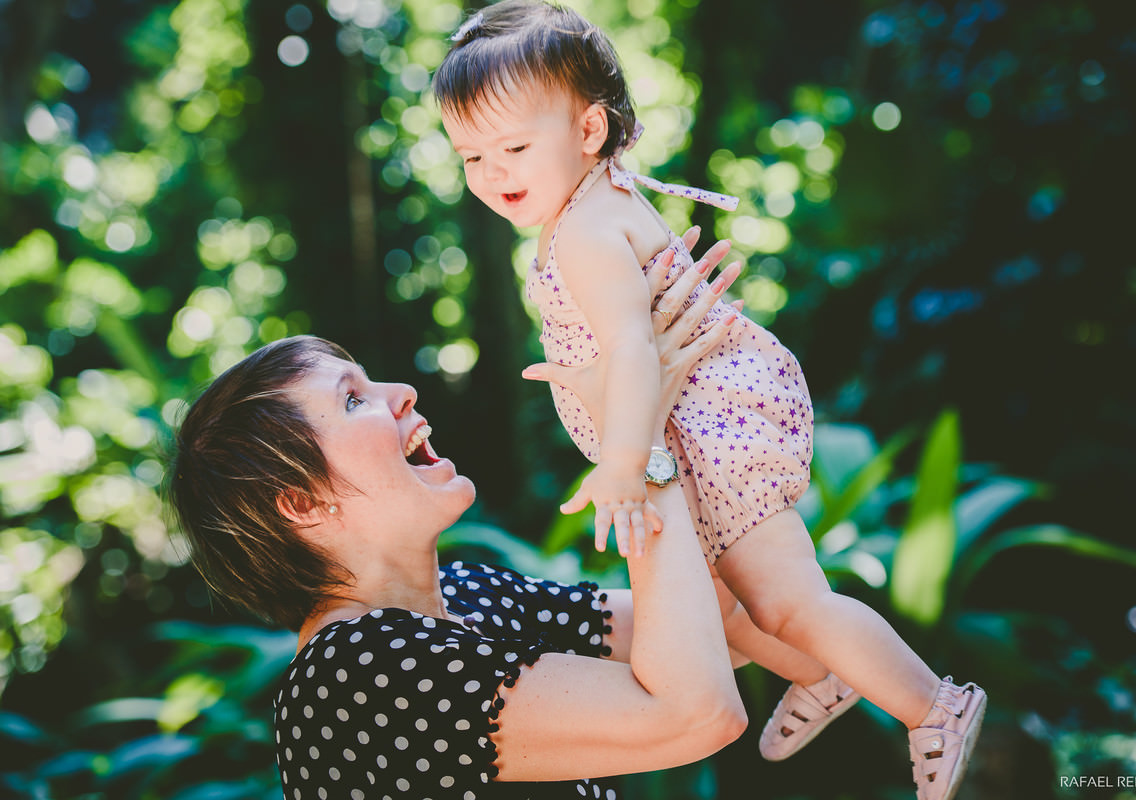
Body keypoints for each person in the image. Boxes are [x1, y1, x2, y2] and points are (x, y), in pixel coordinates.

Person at [432, 3, 986, 799]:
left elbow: (629, 348)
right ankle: (822, 677)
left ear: (588, 131)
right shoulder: (589, 204)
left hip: (710, 437)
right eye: (471, 156)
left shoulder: (586, 233)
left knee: (791, 598)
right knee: (728, 611)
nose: (493, 172)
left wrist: (624, 465)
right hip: (702, 429)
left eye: (513, 146)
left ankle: (934, 705)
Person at [167, 242, 750, 799]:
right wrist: (636, 444)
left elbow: (723, 622)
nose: (402, 392)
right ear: (302, 502)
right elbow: (693, 714)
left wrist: (672, 390)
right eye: (352, 400)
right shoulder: (349, 677)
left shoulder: (472, 594)